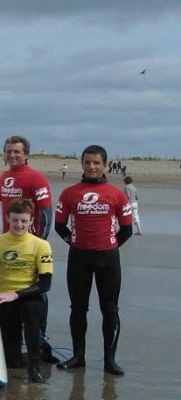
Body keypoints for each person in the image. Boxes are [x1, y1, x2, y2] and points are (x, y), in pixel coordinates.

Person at [0, 134, 58, 362]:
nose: (12, 155)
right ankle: (11, 341)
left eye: (17, 151)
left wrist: (39, 243)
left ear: (26, 154)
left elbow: (46, 213)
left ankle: (40, 340)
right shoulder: (6, 176)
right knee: (9, 287)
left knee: (36, 290)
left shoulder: (36, 178)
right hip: (9, 240)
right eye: (8, 151)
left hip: (30, 243)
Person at [54, 145, 133, 376]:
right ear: (82, 164)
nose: (92, 166)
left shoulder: (117, 194)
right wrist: (75, 242)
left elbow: (127, 230)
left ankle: (110, 360)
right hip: (79, 258)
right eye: (87, 162)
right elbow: (59, 226)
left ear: (105, 165)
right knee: (78, 309)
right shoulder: (69, 193)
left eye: (97, 162)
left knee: (110, 310)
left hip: (108, 259)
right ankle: (78, 356)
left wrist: (109, 245)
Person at [0, 198, 53, 384]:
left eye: (24, 220)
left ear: (31, 220)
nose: (19, 225)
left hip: (31, 297)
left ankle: (34, 366)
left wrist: (15, 294)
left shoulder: (41, 245)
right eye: (15, 220)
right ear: (7, 218)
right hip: (4, 300)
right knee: (12, 362)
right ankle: (36, 348)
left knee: (29, 309)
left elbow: (45, 285)